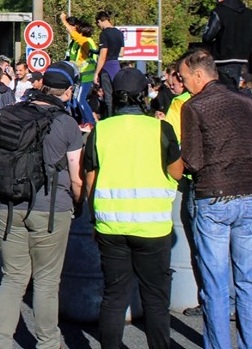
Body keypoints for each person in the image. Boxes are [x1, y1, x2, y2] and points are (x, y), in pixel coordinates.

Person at [84, 68, 184, 349]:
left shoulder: (100, 130)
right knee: (155, 298)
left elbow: (90, 180)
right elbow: (177, 172)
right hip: (153, 228)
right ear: (144, 96)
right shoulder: (160, 129)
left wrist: (94, 220)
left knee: (114, 296)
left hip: (110, 227)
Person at [0, 61, 84, 349]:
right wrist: (78, 204)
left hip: (9, 205)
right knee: (45, 282)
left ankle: (1, 342)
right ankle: (47, 343)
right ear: (67, 92)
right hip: (50, 209)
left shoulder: (11, 113)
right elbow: (76, 176)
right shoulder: (66, 123)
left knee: (13, 279)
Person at [178, 49, 252, 349]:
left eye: (184, 77)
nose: (183, 82)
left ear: (199, 75)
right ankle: (251, 345)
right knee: (248, 282)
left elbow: (192, 161)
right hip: (248, 194)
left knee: (215, 285)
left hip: (213, 197)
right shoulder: (247, 103)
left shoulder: (194, 106)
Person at [201, 0, 252, 90]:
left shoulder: (219, 12)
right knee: (239, 90)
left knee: (225, 91)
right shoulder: (249, 13)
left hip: (223, 59)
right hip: (243, 58)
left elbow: (208, 36)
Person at [61, 13, 98, 130]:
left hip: (87, 75)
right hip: (79, 76)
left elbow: (74, 34)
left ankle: (90, 122)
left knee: (80, 99)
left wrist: (63, 20)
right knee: (75, 100)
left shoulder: (86, 41)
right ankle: (83, 121)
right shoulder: (77, 43)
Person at [93, 11, 124, 119]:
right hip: (116, 66)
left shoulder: (104, 34)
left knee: (108, 97)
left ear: (99, 21)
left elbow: (103, 55)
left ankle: (109, 119)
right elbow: (122, 53)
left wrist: (96, 73)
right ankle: (118, 117)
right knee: (116, 95)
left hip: (106, 67)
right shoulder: (119, 33)